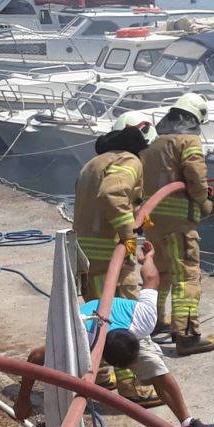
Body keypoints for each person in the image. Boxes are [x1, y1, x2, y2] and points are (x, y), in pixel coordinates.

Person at [14, 242, 214, 427]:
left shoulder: (144, 319)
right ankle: (56, 421)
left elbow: (150, 277)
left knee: (158, 371)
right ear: (108, 360)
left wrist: (147, 258)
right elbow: (35, 358)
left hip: (126, 323)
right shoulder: (78, 338)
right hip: (90, 326)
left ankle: (187, 423)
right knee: (67, 380)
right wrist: (23, 399)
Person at [73, 110, 160, 408]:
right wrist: (128, 235)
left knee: (99, 317)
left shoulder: (94, 163)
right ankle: (133, 386)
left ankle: (99, 374)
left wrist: (137, 221)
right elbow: (111, 194)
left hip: (87, 255)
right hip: (110, 255)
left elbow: (105, 204)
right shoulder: (128, 160)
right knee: (123, 320)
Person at [140, 93, 214, 355]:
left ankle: (154, 323)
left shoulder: (153, 144)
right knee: (186, 277)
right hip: (179, 226)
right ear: (194, 119)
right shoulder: (188, 141)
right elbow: (196, 178)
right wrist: (206, 203)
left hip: (154, 223)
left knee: (162, 274)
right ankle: (186, 335)